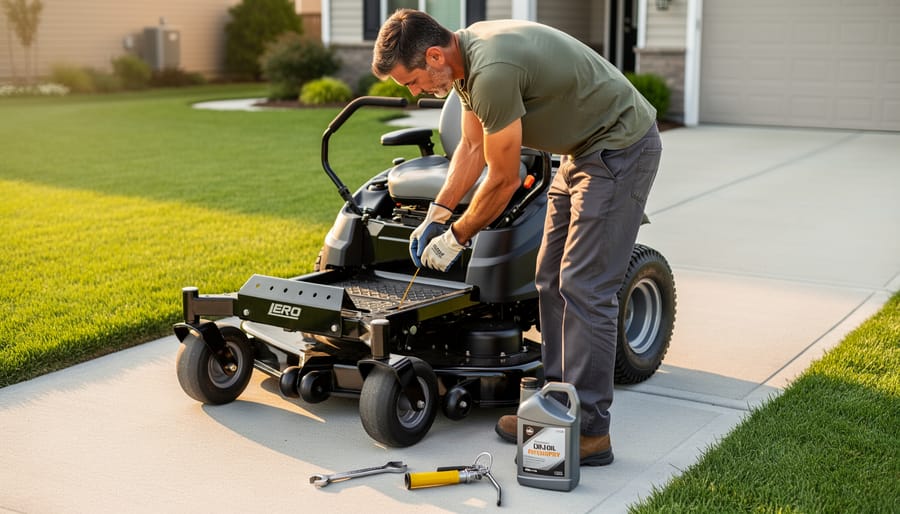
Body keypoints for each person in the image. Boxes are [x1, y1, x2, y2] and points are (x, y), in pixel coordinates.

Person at [372, 9, 661, 466]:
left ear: (433, 56)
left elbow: (504, 180)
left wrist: (457, 237)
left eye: (412, 82)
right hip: (581, 152)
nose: (416, 92)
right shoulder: (464, 62)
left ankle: (589, 431)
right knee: (550, 278)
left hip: (619, 147)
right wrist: (437, 214)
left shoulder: (492, 71)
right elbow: (470, 148)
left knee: (585, 287)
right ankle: (554, 408)